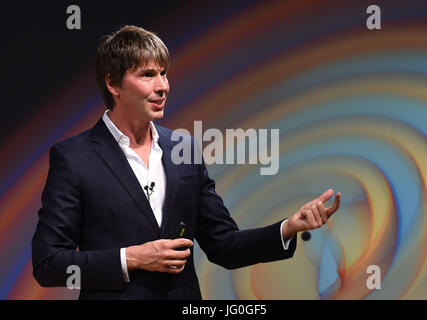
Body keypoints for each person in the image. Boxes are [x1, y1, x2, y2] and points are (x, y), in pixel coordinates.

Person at [32, 25, 341, 300]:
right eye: (147, 75)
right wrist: (132, 258)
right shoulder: (74, 157)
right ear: (113, 84)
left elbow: (224, 245)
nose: (163, 86)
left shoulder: (184, 148)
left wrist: (288, 228)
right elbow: (48, 265)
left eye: (163, 73)